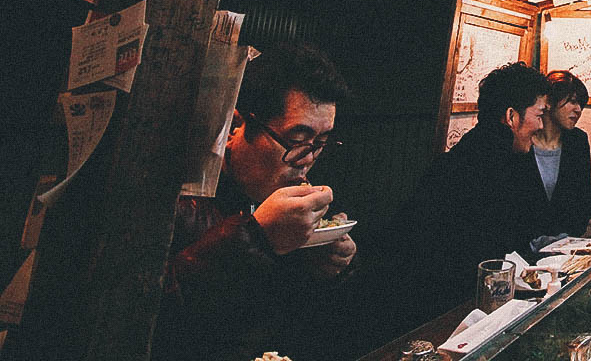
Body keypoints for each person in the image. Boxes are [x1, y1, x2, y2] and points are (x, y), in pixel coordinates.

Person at [152, 43, 353, 361]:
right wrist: (256, 237)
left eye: (321, 142)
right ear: (234, 127)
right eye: (297, 139)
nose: (307, 159)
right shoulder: (175, 200)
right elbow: (149, 321)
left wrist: (320, 269)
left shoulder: (276, 203)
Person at [402, 62, 549, 322]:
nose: (541, 126)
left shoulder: (479, 154)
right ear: (512, 116)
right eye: (538, 115)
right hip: (457, 314)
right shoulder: (486, 166)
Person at [521, 70, 591, 241]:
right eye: (573, 102)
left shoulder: (577, 141)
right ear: (550, 102)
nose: (578, 110)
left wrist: (565, 240)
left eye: (581, 105)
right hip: (522, 250)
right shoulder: (523, 141)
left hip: (566, 248)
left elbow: (584, 201)